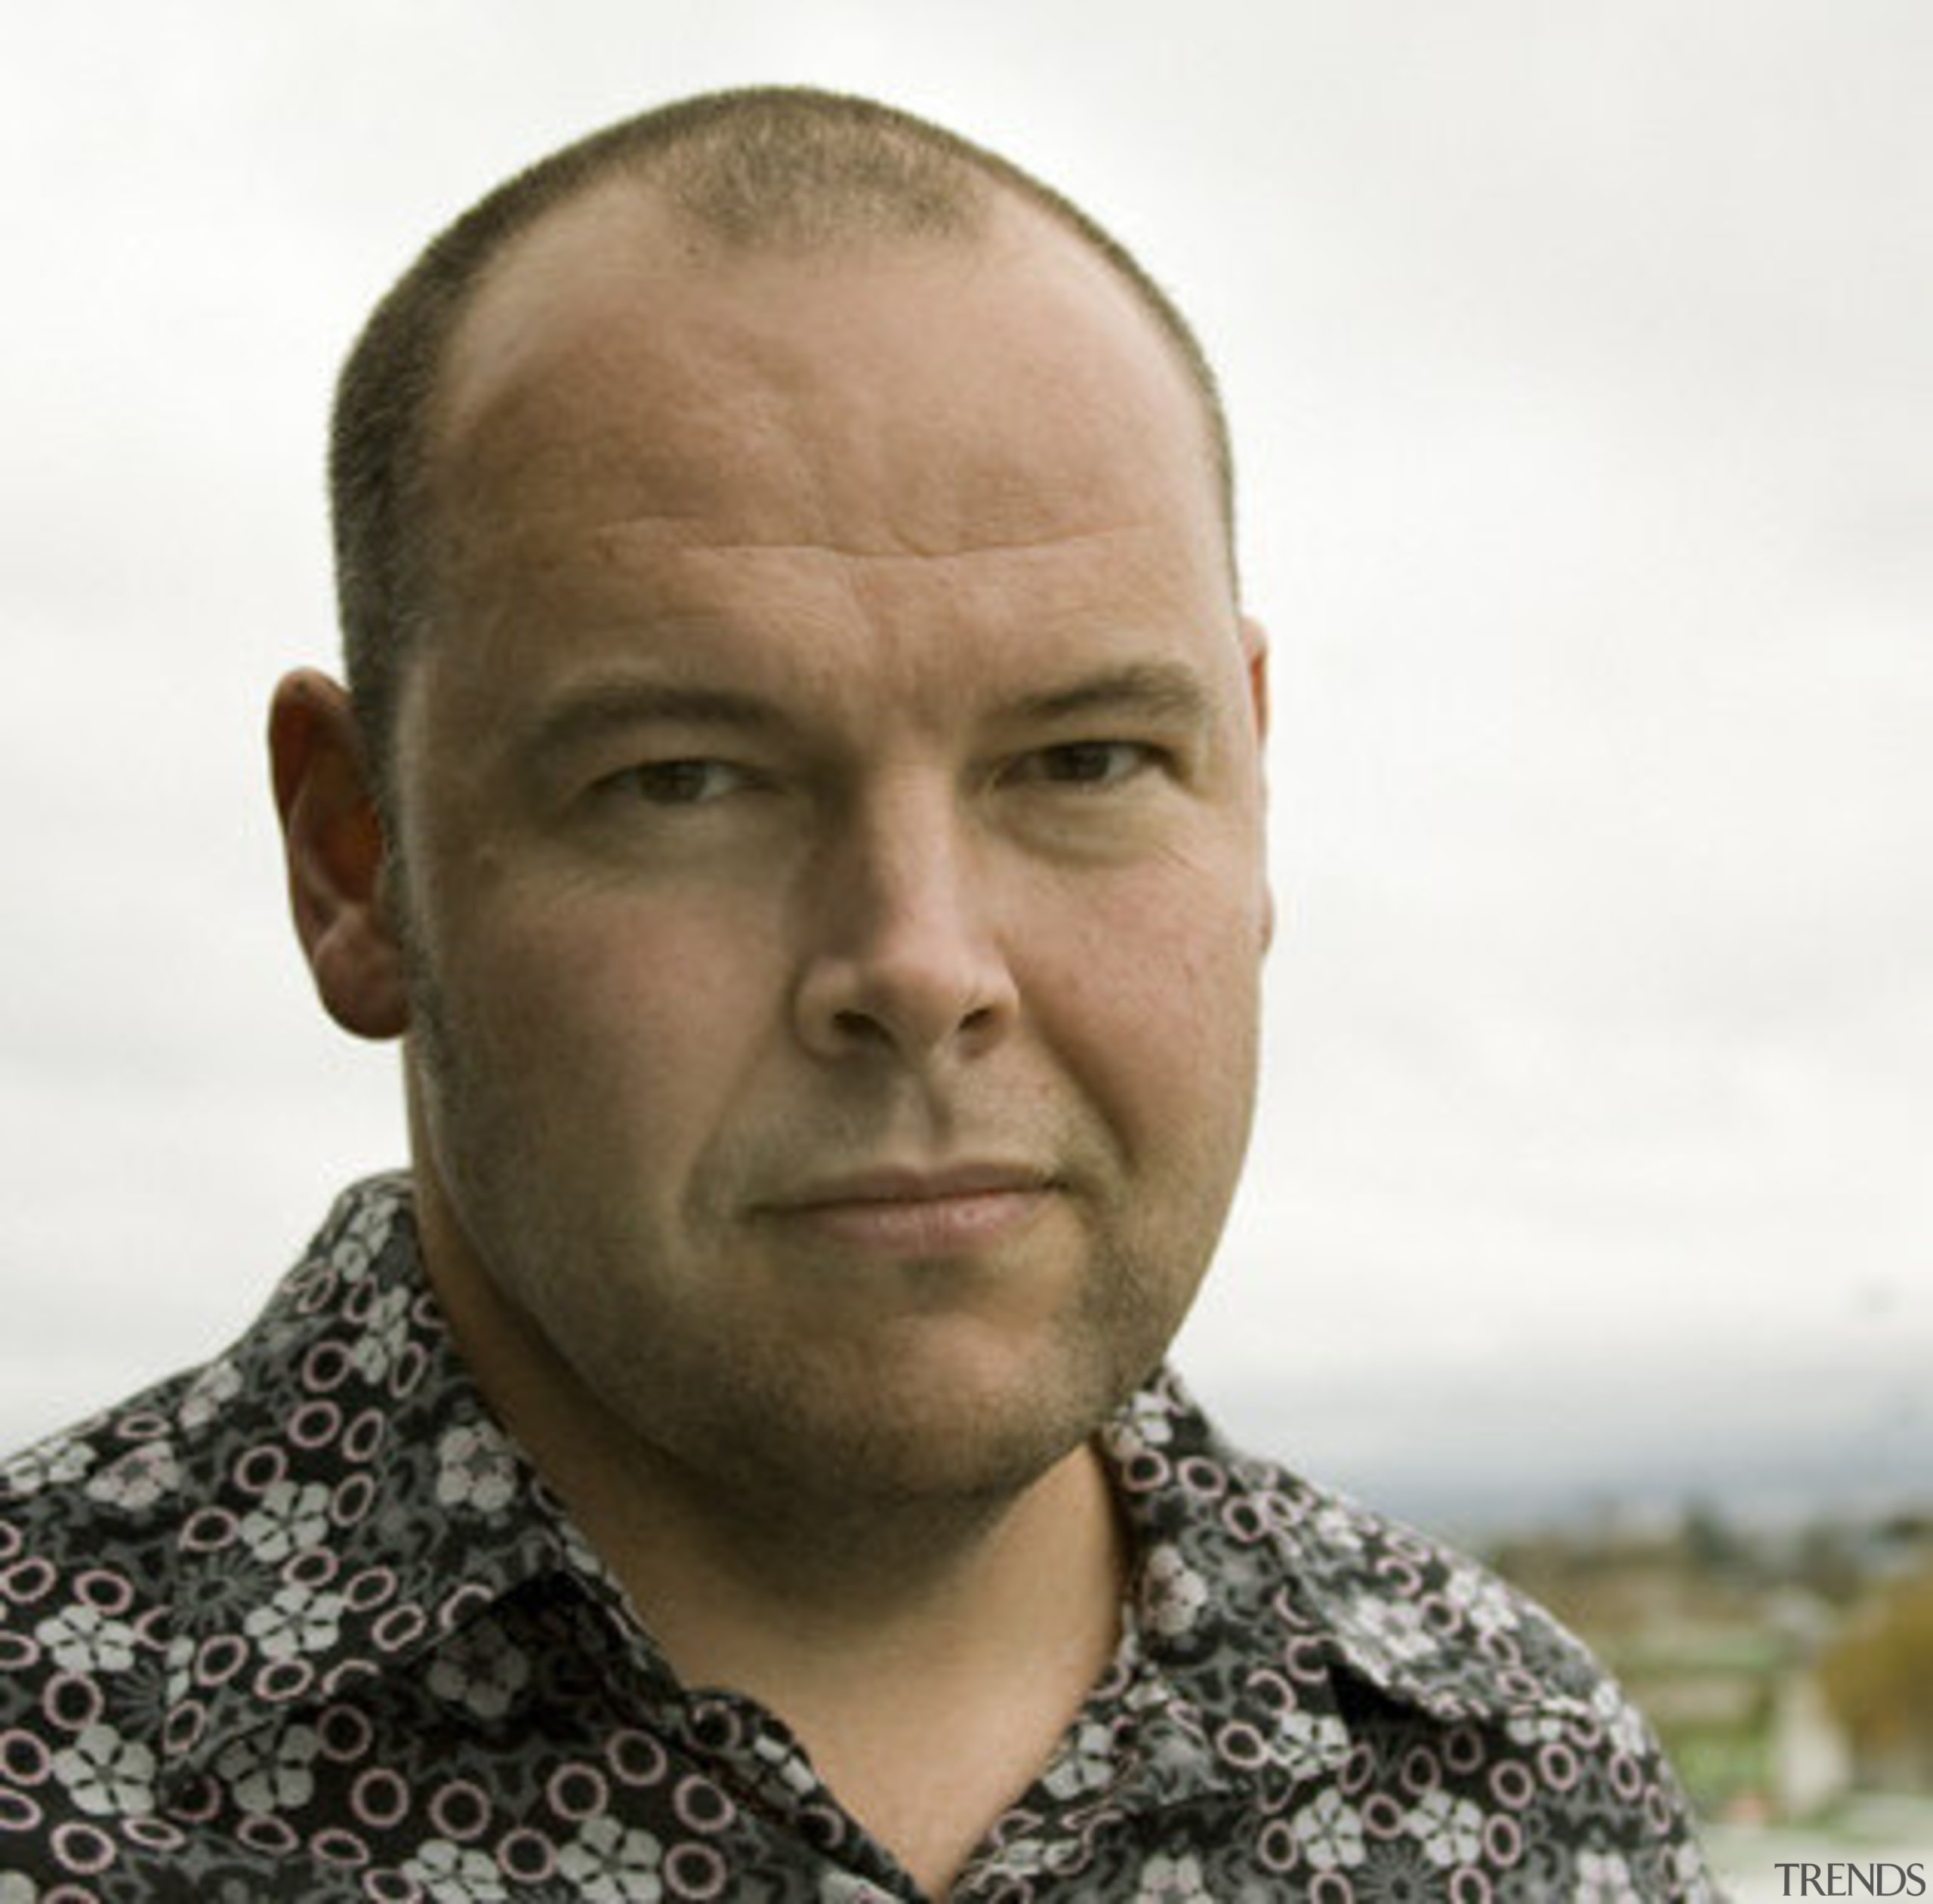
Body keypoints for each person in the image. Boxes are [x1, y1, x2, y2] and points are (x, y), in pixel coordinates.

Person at [0, 88, 1716, 1901]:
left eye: (1084, 760)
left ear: (1251, 787)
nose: (920, 963)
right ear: (355, 864)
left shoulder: (1527, 1777)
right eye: (682, 778)